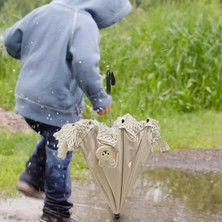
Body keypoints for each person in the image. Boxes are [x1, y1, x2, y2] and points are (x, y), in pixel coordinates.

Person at [3, 0, 132, 221]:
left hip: (27, 98)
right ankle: (56, 211)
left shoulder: (45, 10)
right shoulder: (83, 22)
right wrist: (99, 99)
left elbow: (11, 40)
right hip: (57, 102)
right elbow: (84, 63)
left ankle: (32, 177)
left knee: (53, 136)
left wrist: (38, 57)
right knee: (61, 150)